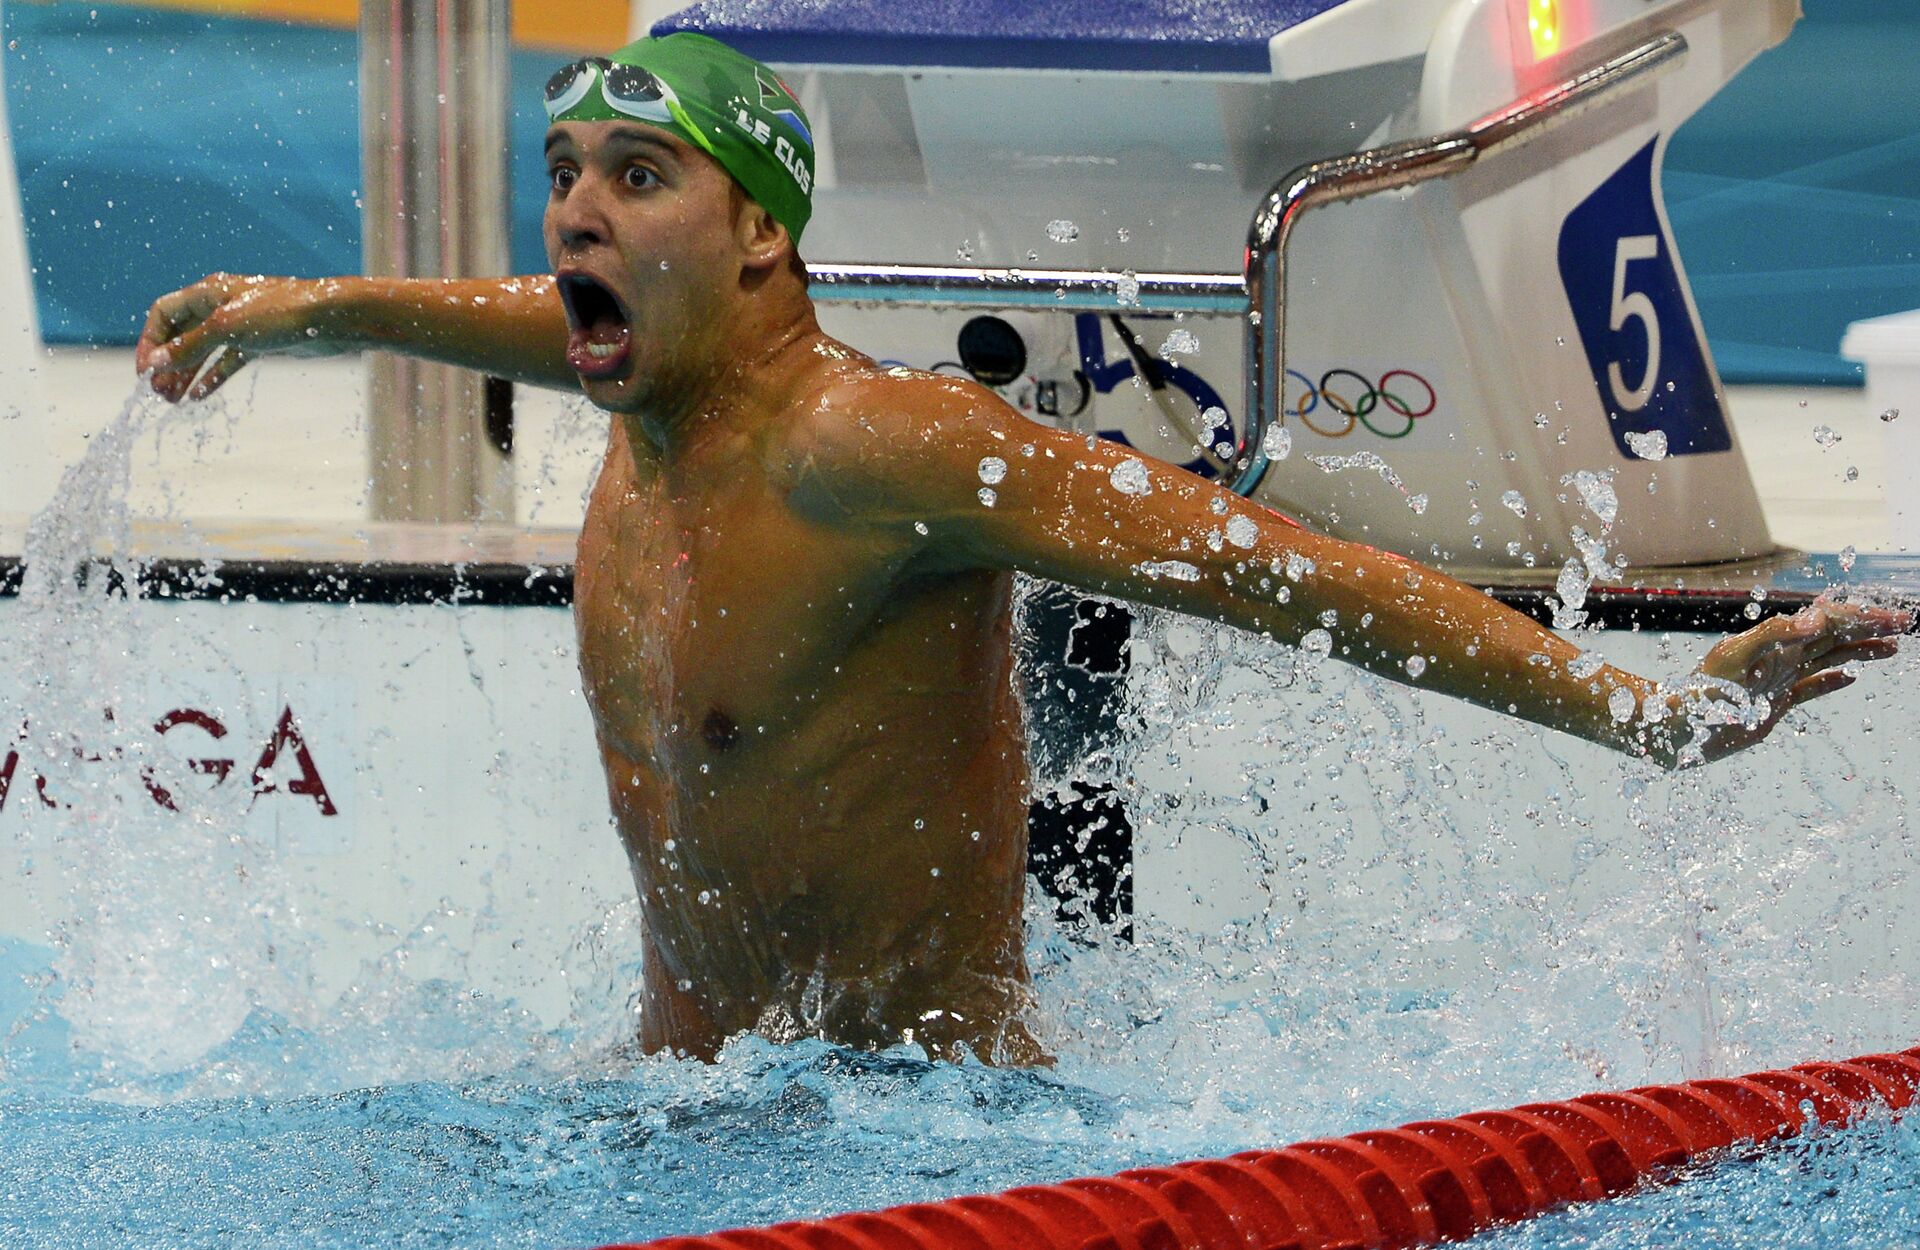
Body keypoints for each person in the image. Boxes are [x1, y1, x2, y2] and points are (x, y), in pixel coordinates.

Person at [134, 33, 1908, 1066]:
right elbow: (542, 315)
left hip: (926, 1149)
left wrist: (1634, 704)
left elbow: (1276, 568)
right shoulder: (647, 390)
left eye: (638, 176)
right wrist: (320, 305)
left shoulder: (884, 453)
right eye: (564, 166)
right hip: (673, 1119)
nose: (580, 208)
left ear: (759, 235)